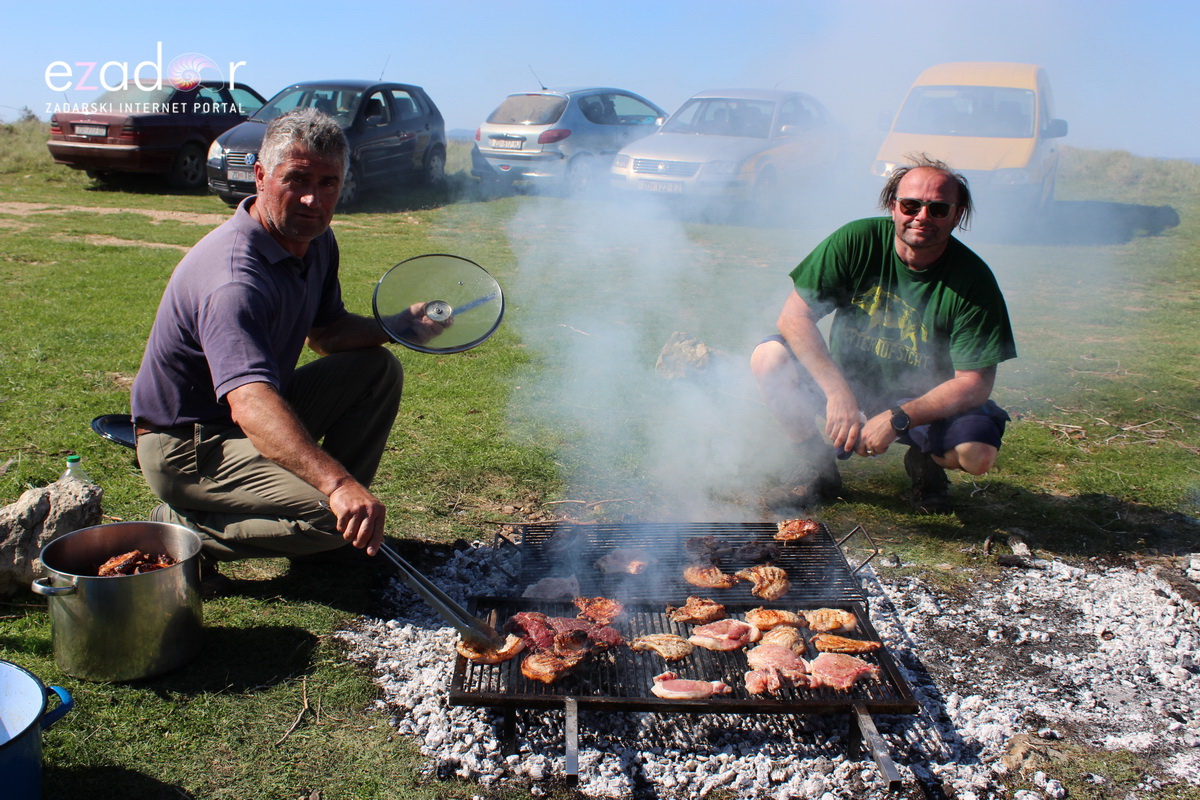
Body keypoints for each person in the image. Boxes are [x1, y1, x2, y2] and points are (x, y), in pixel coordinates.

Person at [131, 108, 444, 576]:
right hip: (188, 444)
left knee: (375, 370)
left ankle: (338, 525)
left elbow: (327, 334)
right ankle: (180, 525)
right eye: (296, 179)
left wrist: (398, 325)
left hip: (247, 415)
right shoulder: (234, 280)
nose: (312, 200)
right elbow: (250, 403)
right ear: (260, 176)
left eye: (328, 182)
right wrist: (335, 485)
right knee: (330, 517)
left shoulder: (316, 241)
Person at [750, 154, 1016, 514]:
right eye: (911, 205)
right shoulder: (856, 241)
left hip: (922, 397)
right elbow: (794, 318)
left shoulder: (974, 281)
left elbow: (974, 383)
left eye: (938, 209)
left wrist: (898, 418)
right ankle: (816, 467)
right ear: (894, 207)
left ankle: (927, 463)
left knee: (977, 455)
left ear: (957, 215)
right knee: (769, 358)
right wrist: (838, 394)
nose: (922, 216)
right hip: (850, 381)